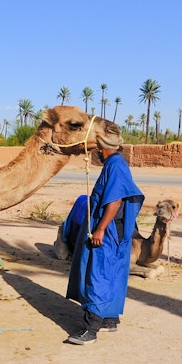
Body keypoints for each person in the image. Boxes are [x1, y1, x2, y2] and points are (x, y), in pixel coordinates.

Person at [64, 143, 144, 345]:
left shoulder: (115, 165)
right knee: (113, 272)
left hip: (108, 230)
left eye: (97, 149)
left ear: (104, 148)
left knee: (98, 274)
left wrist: (100, 228)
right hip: (113, 229)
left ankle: (90, 328)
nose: (96, 153)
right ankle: (109, 318)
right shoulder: (116, 164)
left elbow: (115, 201)